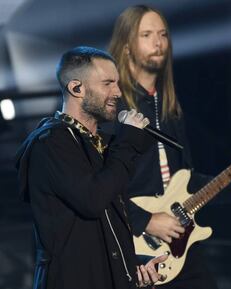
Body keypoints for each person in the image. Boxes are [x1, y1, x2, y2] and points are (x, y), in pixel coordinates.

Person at [102, 5, 231, 289]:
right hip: (131, 244)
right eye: (146, 34)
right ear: (126, 47)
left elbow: (187, 178)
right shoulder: (113, 106)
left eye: (162, 34)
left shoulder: (170, 106)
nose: (158, 42)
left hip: (177, 242)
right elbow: (95, 183)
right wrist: (145, 221)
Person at [15, 46, 167, 289]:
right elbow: (92, 200)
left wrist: (132, 266)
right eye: (107, 83)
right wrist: (127, 144)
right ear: (76, 88)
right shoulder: (50, 144)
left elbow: (106, 228)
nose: (118, 92)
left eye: (117, 83)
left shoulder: (102, 145)